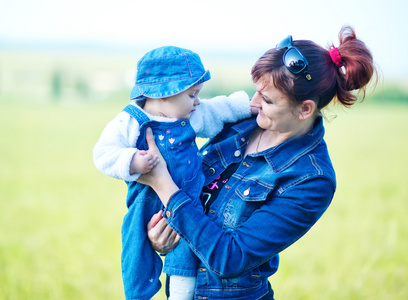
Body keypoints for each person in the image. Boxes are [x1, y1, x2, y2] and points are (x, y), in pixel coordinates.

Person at [138, 26, 377, 299]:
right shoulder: (240, 124)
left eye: (267, 99)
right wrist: (161, 238)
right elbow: (191, 193)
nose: (253, 102)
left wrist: (162, 184)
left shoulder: (312, 179)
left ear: (305, 109)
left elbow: (230, 257)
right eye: (256, 91)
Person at [92, 46, 253, 300]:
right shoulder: (130, 120)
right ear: (165, 94)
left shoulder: (191, 115)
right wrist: (133, 161)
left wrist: (248, 106)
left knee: (186, 253)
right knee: (135, 250)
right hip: (147, 201)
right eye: (192, 95)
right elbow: (103, 153)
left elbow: (218, 110)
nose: (198, 101)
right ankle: (137, 295)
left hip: (186, 199)